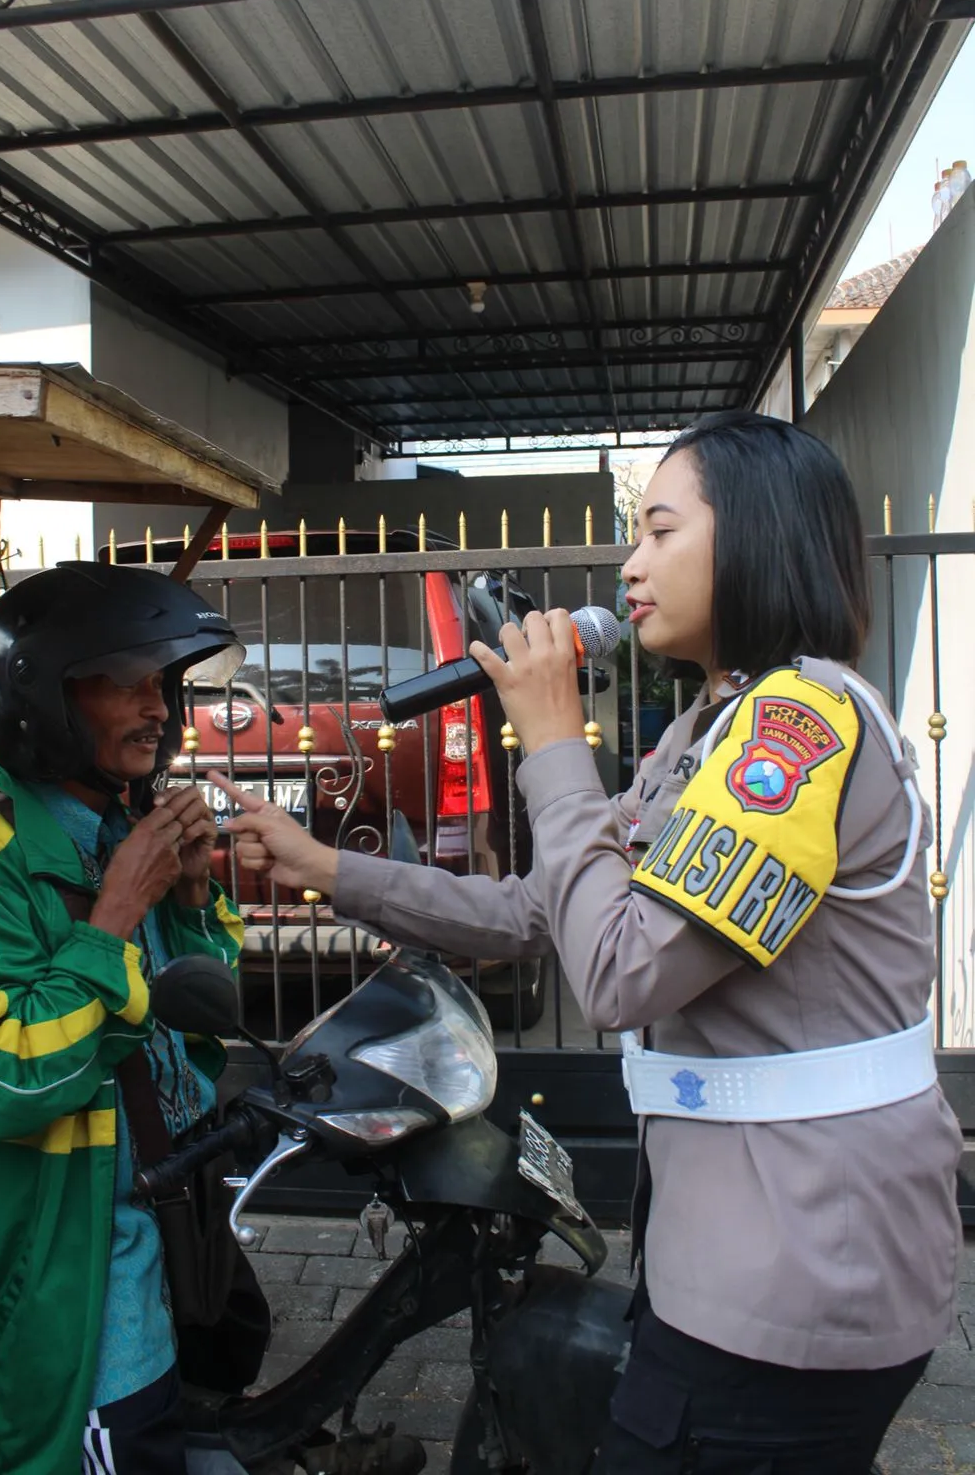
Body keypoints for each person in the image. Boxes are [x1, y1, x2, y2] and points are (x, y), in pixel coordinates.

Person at [213, 411, 963, 1475]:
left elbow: (617, 970)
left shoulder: (802, 727)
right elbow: (541, 910)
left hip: (802, 1270)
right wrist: (327, 867)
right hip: (735, 1250)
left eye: (660, 530)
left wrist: (556, 742)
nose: (628, 563)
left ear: (754, 538)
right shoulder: (708, 730)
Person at [0, 562, 247, 1475]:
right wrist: (114, 917)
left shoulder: (122, 832)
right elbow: (7, 1082)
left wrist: (190, 890)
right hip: (68, 1280)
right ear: (47, 697)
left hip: (155, 1235)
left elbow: (200, 1021)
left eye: (164, 685)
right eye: (126, 682)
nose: (157, 708)